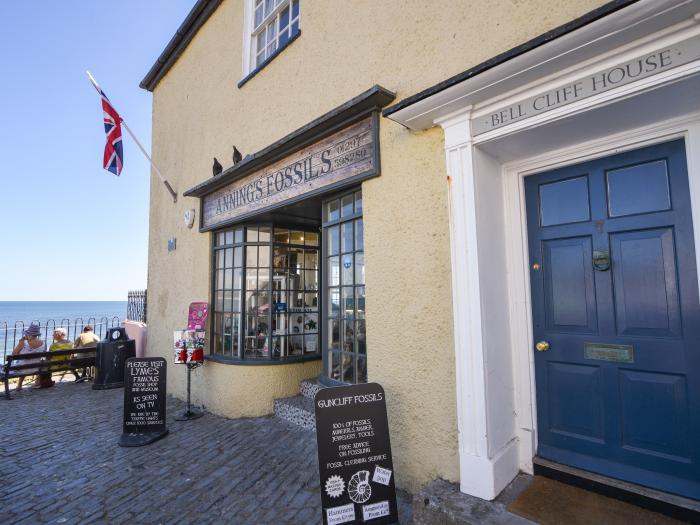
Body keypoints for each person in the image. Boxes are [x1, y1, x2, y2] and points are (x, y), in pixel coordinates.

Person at [11, 323, 46, 390]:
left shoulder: (23, 343)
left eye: (26, 333)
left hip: (22, 369)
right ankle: (37, 382)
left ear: (29, 334)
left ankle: (19, 385)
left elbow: (13, 354)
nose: (25, 335)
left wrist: (20, 342)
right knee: (31, 362)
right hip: (36, 368)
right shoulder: (43, 343)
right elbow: (44, 354)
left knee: (23, 363)